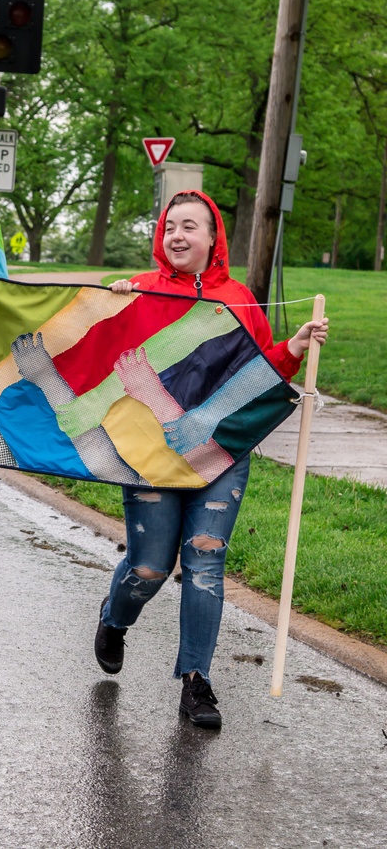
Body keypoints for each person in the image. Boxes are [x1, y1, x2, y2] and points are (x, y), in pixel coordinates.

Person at [94, 190, 329, 729]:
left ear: (212, 238)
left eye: (190, 227)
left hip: (220, 456)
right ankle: (113, 618)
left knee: (204, 566)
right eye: (169, 226)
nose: (177, 236)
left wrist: (293, 346)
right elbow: (102, 361)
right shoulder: (138, 290)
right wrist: (109, 307)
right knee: (150, 566)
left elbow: (262, 374)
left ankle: (195, 681)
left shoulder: (240, 297)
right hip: (151, 455)